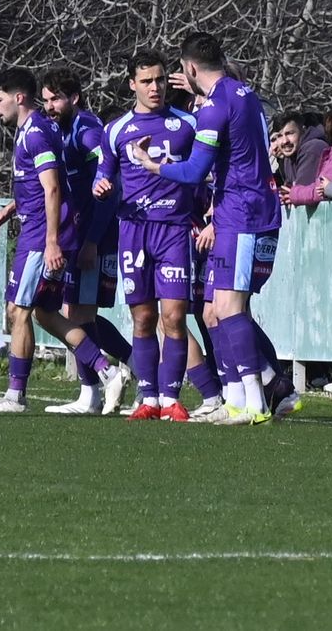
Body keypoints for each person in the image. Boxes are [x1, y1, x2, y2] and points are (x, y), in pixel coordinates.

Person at [129, 32, 298, 424]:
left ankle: (256, 403)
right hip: (244, 207)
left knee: (229, 308)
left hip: (242, 210)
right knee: (218, 311)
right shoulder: (243, 92)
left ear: (188, 68)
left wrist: (151, 164)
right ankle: (239, 400)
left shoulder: (213, 107)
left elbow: (192, 171)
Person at [0, 69, 127, 414]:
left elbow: (53, 188)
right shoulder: (32, 131)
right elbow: (41, 183)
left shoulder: (38, 135)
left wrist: (52, 242)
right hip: (37, 229)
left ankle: (16, 396)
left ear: (18, 98)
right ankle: (107, 372)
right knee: (43, 313)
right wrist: (10, 209)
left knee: (20, 310)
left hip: (41, 236)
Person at [106, 50, 211, 421]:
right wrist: (102, 183)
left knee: (175, 315)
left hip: (173, 229)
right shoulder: (116, 129)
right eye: (147, 81)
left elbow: (209, 167)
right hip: (134, 230)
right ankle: (147, 396)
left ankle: (170, 398)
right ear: (132, 84)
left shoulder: (188, 123)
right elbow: (104, 173)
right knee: (143, 317)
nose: (155, 87)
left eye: (161, 80)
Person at [38, 67, 133, 415]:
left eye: (56, 99)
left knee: (77, 313)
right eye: (45, 100)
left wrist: (93, 240)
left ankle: (94, 389)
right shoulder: (61, 132)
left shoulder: (88, 133)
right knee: (76, 312)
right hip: (78, 235)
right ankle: (118, 375)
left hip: (96, 234)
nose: (49, 106)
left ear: (74, 98)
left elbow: (111, 187)